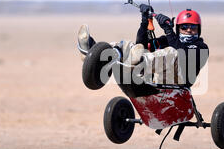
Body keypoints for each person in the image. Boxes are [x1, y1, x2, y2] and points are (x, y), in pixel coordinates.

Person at [78, 5, 209, 87]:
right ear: (179, 28)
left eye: (193, 27)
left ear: (199, 29)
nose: (188, 30)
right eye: (184, 27)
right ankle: (92, 54)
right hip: (154, 78)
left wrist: (169, 31)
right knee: (129, 45)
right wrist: (144, 20)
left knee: (172, 52)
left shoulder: (201, 47)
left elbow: (183, 53)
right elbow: (142, 46)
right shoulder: (168, 40)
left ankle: (138, 63)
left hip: (179, 84)